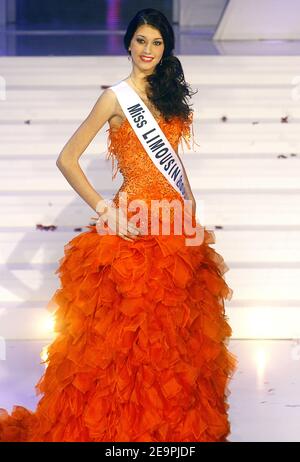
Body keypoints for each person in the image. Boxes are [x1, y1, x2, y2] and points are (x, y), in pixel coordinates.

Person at [0, 8, 237, 442]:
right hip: (130, 230)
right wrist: (104, 209)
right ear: (129, 43)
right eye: (142, 40)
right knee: (121, 341)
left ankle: (161, 430)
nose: (148, 50)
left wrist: (190, 203)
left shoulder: (168, 95)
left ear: (166, 49)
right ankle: (118, 430)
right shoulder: (114, 97)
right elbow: (66, 159)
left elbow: (169, 161)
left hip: (173, 229)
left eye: (157, 42)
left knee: (170, 341)